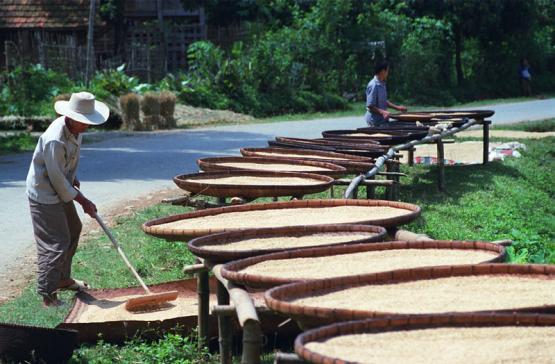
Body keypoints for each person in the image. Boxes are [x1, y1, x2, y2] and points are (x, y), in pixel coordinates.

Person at [26, 92, 109, 307]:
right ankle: (48, 294)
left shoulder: (75, 129)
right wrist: (84, 201)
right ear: (71, 117)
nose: (87, 126)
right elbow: (56, 180)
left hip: (60, 188)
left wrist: (72, 176)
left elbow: (62, 168)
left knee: (73, 229)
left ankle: (62, 278)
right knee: (55, 243)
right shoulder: (55, 138)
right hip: (44, 193)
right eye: (83, 122)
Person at [364, 62, 407, 127]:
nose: (388, 73)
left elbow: (384, 101)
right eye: (387, 71)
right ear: (383, 71)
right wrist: (383, 112)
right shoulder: (373, 85)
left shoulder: (382, 83)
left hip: (382, 120)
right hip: (374, 121)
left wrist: (398, 108)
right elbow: (370, 106)